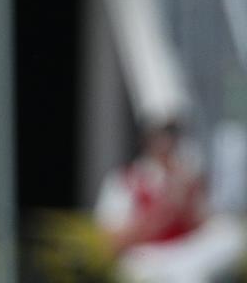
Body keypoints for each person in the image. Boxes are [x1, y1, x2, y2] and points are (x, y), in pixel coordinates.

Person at [94, 116, 246, 283]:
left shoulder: (187, 176)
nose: (167, 141)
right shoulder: (124, 180)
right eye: (160, 134)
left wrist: (190, 200)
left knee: (230, 234)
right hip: (147, 257)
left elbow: (203, 226)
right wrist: (162, 212)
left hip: (187, 256)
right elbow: (114, 243)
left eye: (172, 134)